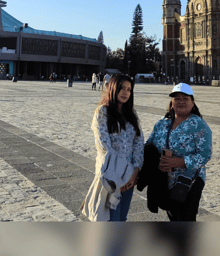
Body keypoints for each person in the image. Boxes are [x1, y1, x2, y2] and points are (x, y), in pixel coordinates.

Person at [144, 83, 212, 221]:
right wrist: (157, 163)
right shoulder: (162, 123)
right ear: (171, 102)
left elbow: (205, 154)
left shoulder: (199, 125)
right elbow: (148, 146)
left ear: (192, 102)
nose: (181, 101)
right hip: (165, 180)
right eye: (177, 98)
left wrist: (180, 162)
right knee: (172, 215)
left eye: (185, 98)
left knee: (186, 219)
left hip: (189, 180)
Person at [81, 75, 144, 222]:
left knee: (121, 218)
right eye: (122, 88)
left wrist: (135, 172)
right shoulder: (103, 112)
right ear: (113, 88)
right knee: (109, 219)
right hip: (110, 176)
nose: (125, 92)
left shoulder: (132, 115)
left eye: (129, 89)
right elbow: (104, 146)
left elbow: (139, 142)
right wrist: (117, 179)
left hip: (129, 177)